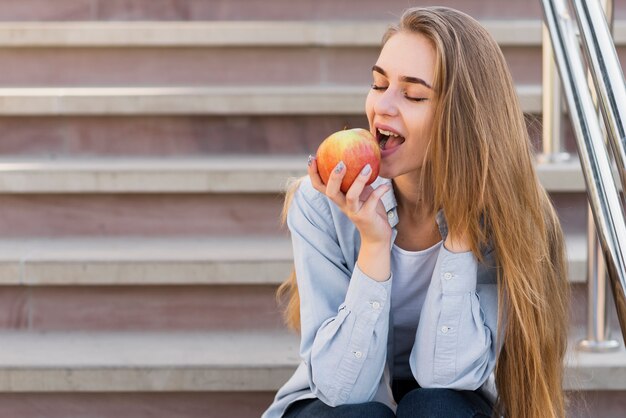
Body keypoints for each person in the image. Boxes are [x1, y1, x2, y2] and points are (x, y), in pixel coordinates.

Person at [263, 6, 570, 418]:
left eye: (413, 95)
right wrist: (374, 246)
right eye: (378, 84)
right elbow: (341, 389)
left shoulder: (506, 218)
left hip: (450, 400)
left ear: (462, 118)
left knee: (436, 406)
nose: (382, 107)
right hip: (333, 403)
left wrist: (460, 231)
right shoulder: (322, 203)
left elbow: (446, 375)